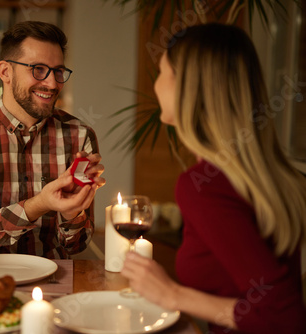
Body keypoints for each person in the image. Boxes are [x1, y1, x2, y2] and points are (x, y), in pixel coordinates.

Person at [121, 23, 306, 333]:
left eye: (163, 73)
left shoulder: (205, 186)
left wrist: (173, 294)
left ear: (186, 87)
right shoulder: (253, 174)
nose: (156, 86)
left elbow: (284, 316)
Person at [0, 21, 105, 259]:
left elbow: (76, 246)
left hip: (53, 282)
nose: (52, 83)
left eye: (58, 71)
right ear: (6, 72)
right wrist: (39, 204)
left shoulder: (79, 136)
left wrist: (71, 212)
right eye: (38, 69)